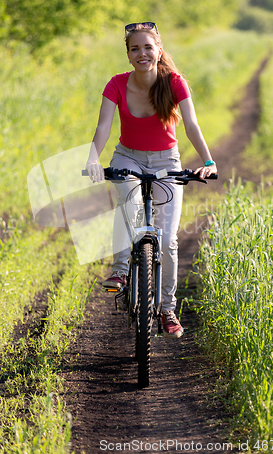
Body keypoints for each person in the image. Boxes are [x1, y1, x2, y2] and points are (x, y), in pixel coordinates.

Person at [86, 22, 217, 339]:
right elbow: (104, 126)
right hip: (127, 156)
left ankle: (166, 309)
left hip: (166, 160)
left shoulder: (174, 82)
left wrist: (209, 161)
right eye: (135, 48)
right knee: (128, 203)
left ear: (158, 50)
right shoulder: (117, 84)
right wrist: (92, 157)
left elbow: (191, 125)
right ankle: (119, 270)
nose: (142, 53)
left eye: (148, 47)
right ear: (128, 54)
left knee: (169, 240)